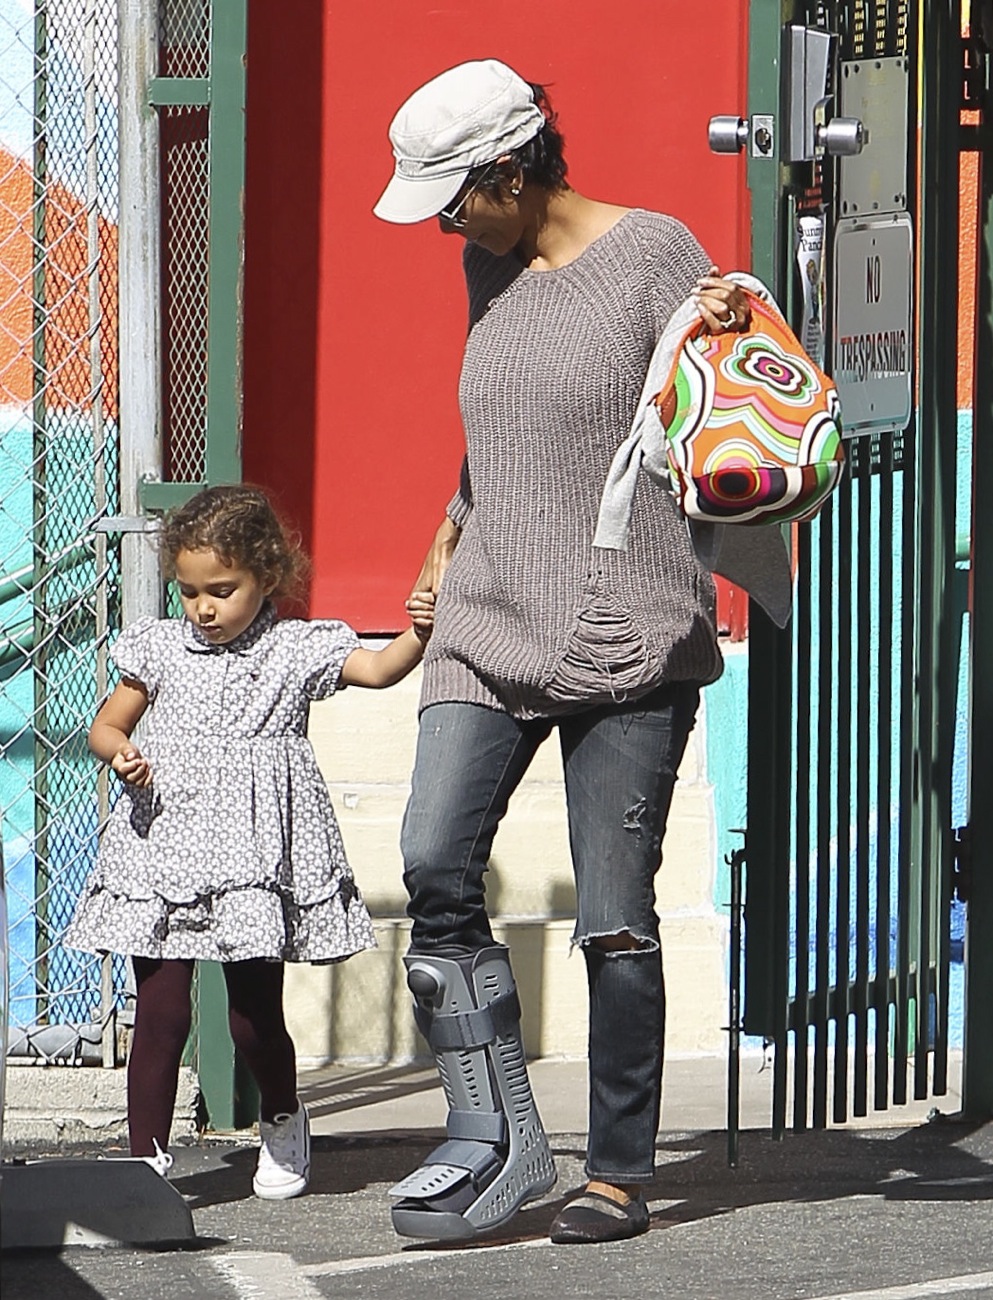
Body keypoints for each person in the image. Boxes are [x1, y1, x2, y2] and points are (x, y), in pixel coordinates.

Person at [373, 58, 753, 1245]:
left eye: (452, 200)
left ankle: (621, 1171)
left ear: (509, 168)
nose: (444, 226)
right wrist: (446, 535)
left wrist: (734, 323)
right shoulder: (487, 264)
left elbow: (723, 407)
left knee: (615, 916)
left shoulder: (654, 254)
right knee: (433, 858)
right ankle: (496, 1134)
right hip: (488, 618)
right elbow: (502, 437)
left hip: (626, 625)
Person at [67, 484, 434, 1199]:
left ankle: (283, 1114)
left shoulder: (296, 649)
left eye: (221, 590)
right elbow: (106, 725)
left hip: (252, 857)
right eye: (189, 591)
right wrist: (120, 752)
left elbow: (378, 669)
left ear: (266, 576)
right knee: (161, 1011)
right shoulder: (159, 648)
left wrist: (419, 629)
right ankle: (144, 1165)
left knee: (252, 1016)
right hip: (164, 845)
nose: (202, 608)